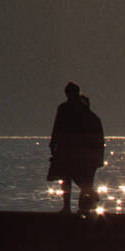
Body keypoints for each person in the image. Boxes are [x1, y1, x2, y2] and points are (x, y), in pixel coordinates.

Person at [49, 82, 105, 214]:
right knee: (79, 180)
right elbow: (98, 139)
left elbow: (57, 127)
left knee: (69, 178)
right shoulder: (90, 114)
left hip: (69, 151)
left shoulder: (64, 108)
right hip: (82, 153)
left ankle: (71, 206)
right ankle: (81, 204)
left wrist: (53, 144)